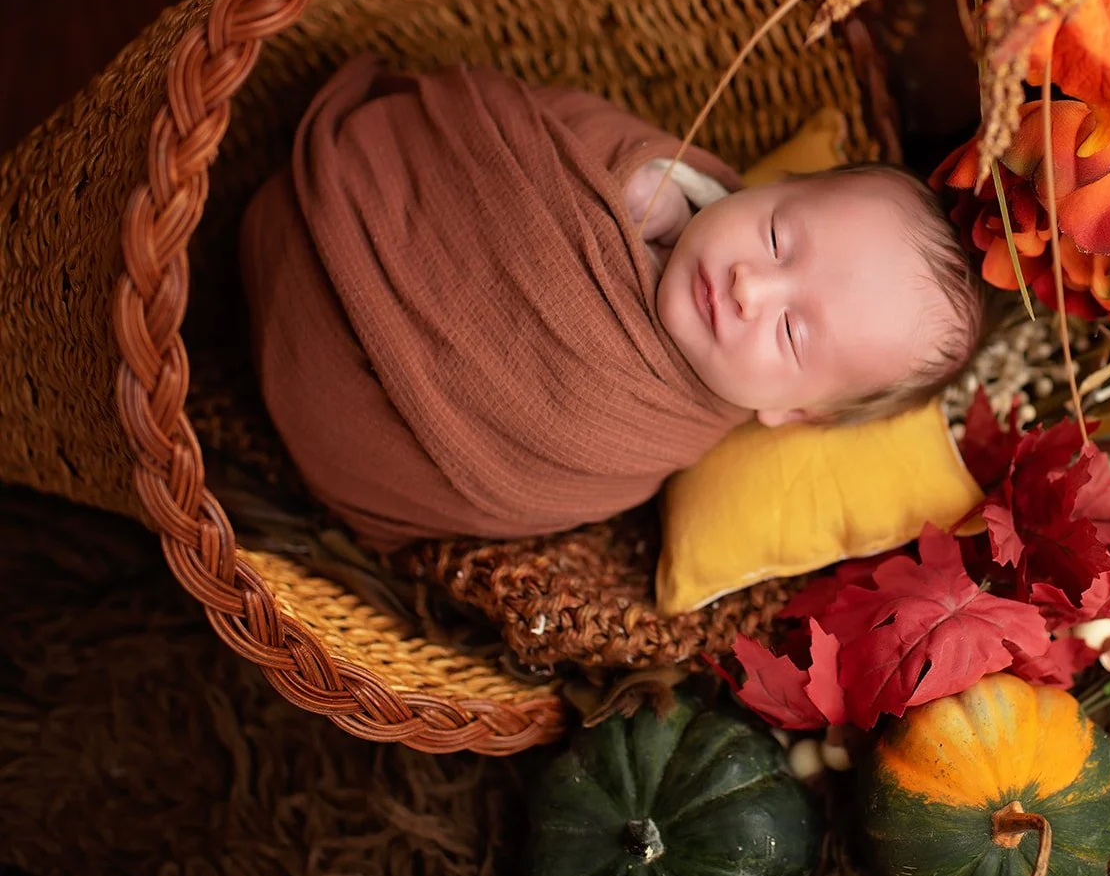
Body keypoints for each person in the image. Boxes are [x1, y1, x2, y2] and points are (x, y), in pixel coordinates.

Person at [239, 57, 983, 550]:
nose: (751, 285)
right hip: (336, 216)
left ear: (793, 411)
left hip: (355, 431)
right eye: (777, 236)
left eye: (791, 332)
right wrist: (641, 184)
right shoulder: (665, 176)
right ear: (763, 187)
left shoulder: (645, 436)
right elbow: (535, 128)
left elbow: (530, 494)